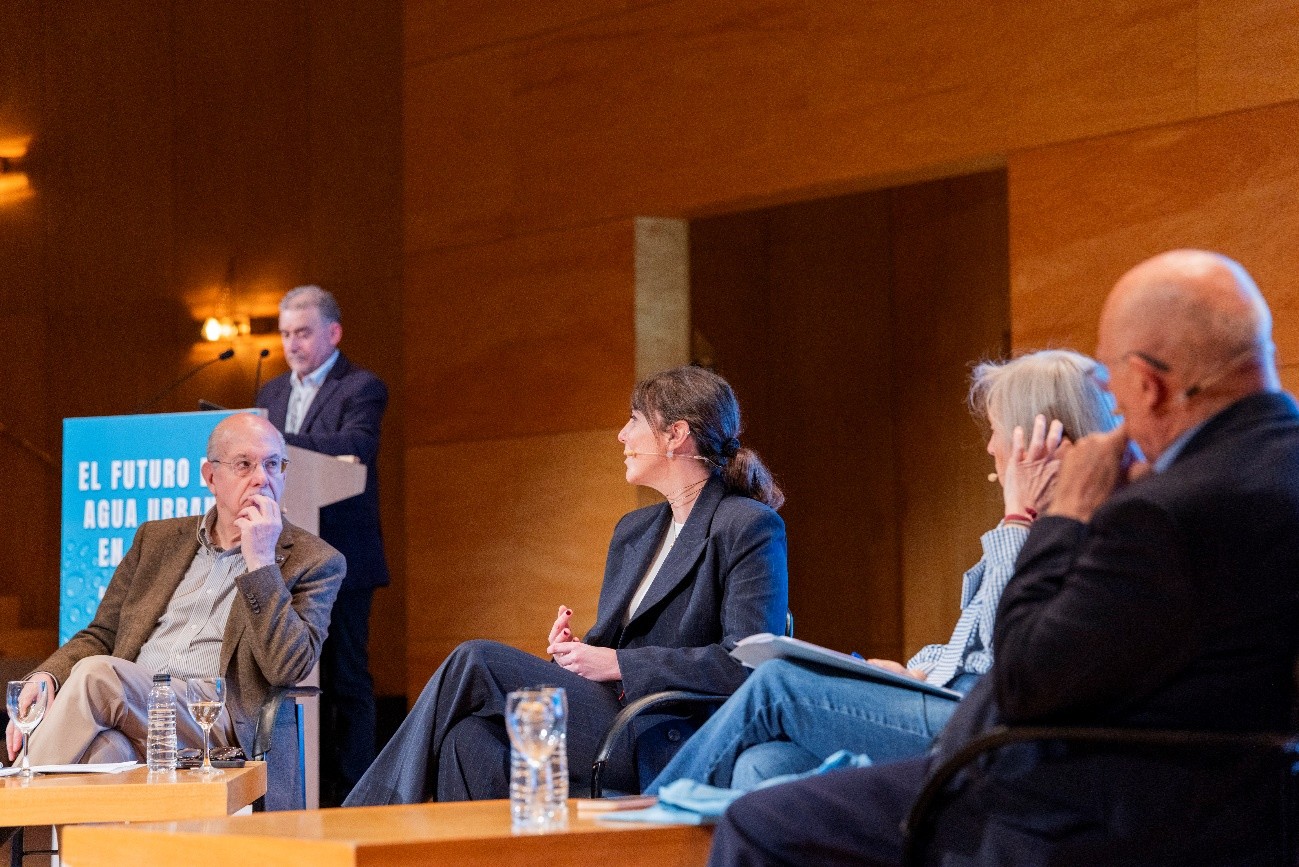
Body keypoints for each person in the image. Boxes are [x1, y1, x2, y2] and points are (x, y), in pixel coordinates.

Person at [708, 249, 1299, 867]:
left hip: (1106, 811)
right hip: (1242, 805)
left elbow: (1023, 682)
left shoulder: (1160, 513)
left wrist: (1064, 516)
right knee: (769, 766)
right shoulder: (1261, 476)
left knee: (762, 822)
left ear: (1150, 386)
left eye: (1117, 393)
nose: (1117, 417)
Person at [645, 350, 1116, 794]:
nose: (990, 446)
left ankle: (639, 826)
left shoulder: (1085, 531)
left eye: (997, 431)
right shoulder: (1032, 526)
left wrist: (1017, 517)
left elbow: (1008, 653)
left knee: (777, 685)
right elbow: (971, 644)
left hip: (992, 730)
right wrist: (916, 670)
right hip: (956, 704)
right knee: (764, 763)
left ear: (1039, 439)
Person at [344, 365, 789, 806]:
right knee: (468, 738)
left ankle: (369, 812)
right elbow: (610, 647)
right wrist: (575, 655)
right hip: (611, 712)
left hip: (668, 729)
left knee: (475, 658)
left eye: (634, 419)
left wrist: (618, 664)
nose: (622, 435)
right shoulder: (634, 530)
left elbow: (745, 664)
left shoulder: (748, 526)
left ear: (676, 434)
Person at [6, 413, 344, 770]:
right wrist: (50, 675)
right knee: (105, 750)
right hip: (134, 711)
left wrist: (261, 563)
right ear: (211, 477)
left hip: (212, 717)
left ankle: (13, 795)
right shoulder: (157, 540)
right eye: (244, 465)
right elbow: (103, 634)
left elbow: (288, 668)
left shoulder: (313, 560)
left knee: (96, 675)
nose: (262, 478)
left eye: (273, 464)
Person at [256, 284, 389, 804]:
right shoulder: (270, 394)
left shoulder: (361, 387)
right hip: (283, 557)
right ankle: (295, 789)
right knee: (290, 673)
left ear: (333, 333)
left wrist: (272, 442)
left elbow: (356, 446)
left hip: (344, 556)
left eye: (303, 333)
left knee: (346, 677)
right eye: (285, 333)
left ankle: (359, 794)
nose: (292, 344)